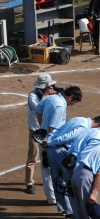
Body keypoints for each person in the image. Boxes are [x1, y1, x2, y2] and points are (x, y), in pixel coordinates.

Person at [44, 115, 100, 219]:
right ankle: (70, 211)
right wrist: (50, 143)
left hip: (55, 151)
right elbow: (67, 137)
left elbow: (58, 130)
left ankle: (65, 209)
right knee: (65, 182)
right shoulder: (84, 128)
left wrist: (49, 139)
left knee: (58, 180)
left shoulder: (78, 119)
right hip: (61, 152)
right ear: (99, 125)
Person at [24, 73, 57, 202]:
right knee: (33, 156)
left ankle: (48, 182)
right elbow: (40, 109)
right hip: (35, 130)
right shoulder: (33, 96)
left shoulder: (48, 94)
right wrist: (46, 96)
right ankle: (29, 182)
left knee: (48, 156)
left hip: (47, 130)